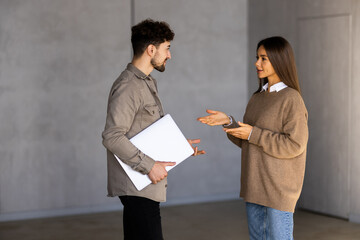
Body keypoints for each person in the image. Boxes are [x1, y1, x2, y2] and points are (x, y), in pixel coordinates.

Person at [102, 19, 205, 240]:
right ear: (151, 49)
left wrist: (179, 148)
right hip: (137, 186)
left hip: (145, 188)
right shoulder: (128, 86)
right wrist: (149, 166)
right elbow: (112, 136)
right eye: (167, 48)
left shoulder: (147, 82)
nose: (169, 55)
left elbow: (145, 132)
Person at [197, 36, 308, 240]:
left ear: (279, 60)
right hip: (254, 186)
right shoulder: (257, 97)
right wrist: (228, 122)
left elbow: (295, 145)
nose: (257, 63)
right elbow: (247, 141)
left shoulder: (292, 99)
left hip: (278, 191)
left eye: (263, 58)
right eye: (257, 57)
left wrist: (253, 133)